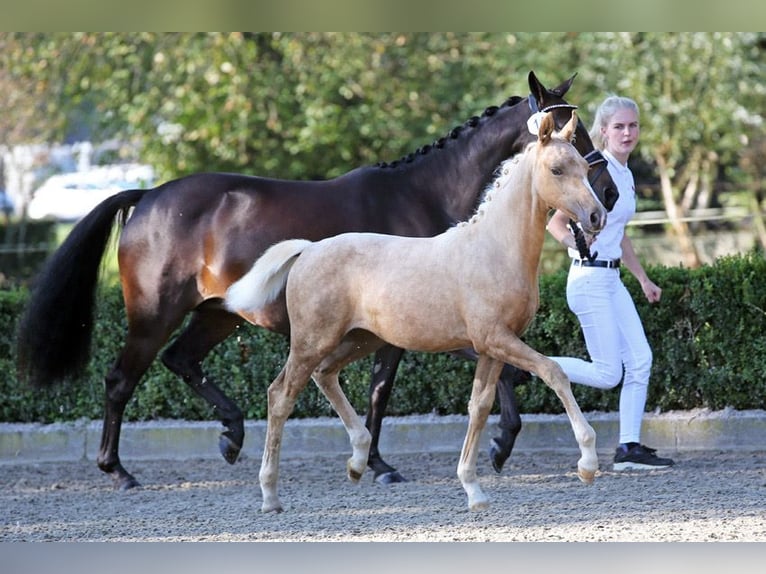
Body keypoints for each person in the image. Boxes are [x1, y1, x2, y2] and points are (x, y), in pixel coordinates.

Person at [545, 95, 674, 471]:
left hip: (612, 279)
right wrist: (578, 244)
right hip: (588, 280)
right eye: (619, 126)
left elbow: (620, 234)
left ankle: (628, 449)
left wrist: (643, 278)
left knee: (641, 361)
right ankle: (534, 363)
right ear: (603, 131)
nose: (627, 132)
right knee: (608, 374)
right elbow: (555, 224)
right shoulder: (592, 171)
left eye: (632, 126)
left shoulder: (625, 174)